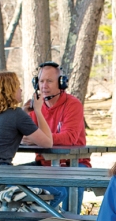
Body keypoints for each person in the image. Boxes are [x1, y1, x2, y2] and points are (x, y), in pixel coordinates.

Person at [24, 61, 88, 212]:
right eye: (41, 81)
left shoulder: (73, 104)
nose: (44, 86)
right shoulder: (34, 106)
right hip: (43, 165)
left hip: (73, 164)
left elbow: (70, 137)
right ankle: (23, 220)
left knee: (72, 184)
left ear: (61, 83)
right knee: (11, 179)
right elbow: (22, 135)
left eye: (49, 81)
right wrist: (23, 114)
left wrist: (39, 139)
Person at [0, 71, 52, 166]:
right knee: (41, 166)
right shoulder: (16, 114)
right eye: (18, 86)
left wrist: (24, 112)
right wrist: (38, 111)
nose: (21, 90)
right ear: (9, 91)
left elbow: (2, 129)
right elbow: (48, 143)